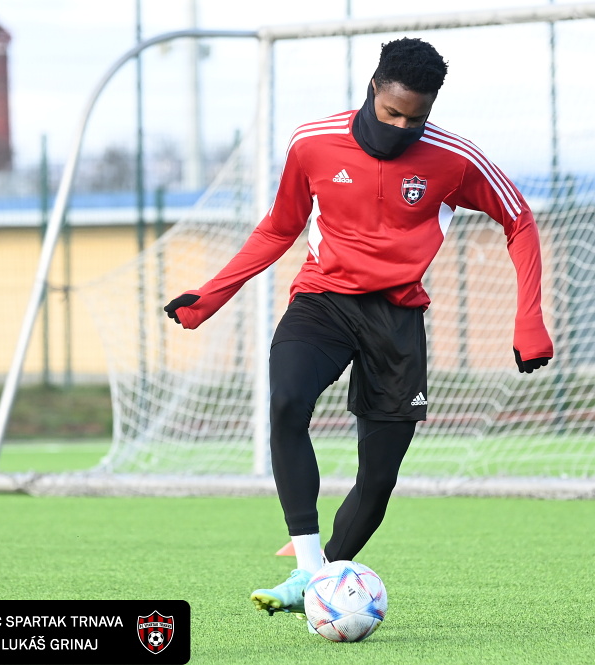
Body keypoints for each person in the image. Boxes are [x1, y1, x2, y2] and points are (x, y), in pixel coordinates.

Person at [164, 37, 553, 617]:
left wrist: (529, 320)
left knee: (378, 479)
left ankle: (319, 581)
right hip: (322, 302)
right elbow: (279, 227)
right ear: (373, 88)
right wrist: (213, 293)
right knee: (287, 401)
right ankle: (307, 566)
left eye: (415, 119)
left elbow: (519, 219)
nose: (401, 127)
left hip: (396, 320)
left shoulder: (455, 159)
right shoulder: (312, 142)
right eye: (391, 112)